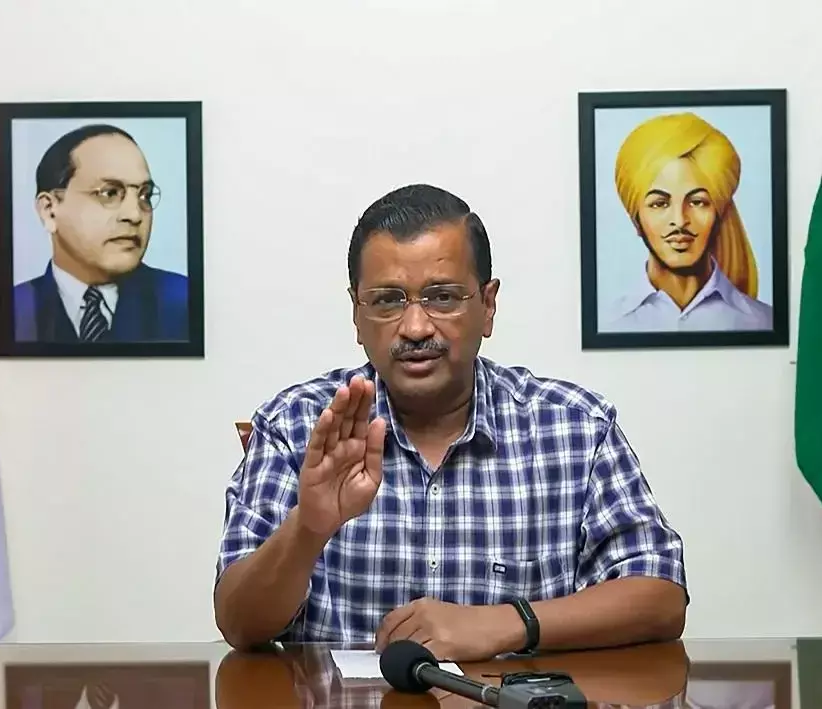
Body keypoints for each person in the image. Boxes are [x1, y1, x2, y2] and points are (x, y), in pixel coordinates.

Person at [214, 184, 687, 661]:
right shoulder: (295, 426)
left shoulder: (575, 429)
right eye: (386, 301)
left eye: (442, 298)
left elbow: (661, 597)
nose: (416, 328)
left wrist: (508, 622)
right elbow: (238, 623)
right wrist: (308, 529)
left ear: (488, 305)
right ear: (357, 314)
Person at [13, 124, 188, 343]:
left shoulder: (184, 304)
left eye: (145, 195)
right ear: (49, 210)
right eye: (109, 193)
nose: (134, 215)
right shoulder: (13, 310)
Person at [604, 112, 773, 333]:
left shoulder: (764, 321)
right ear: (636, 219)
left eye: (697, 202)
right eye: (659, 204)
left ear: (719, 212)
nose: (680, 220)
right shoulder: (608, 324)